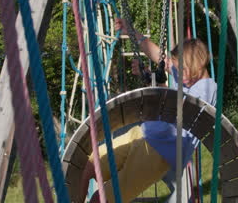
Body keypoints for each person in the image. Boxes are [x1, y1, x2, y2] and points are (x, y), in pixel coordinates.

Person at [78, 19, 217, 203]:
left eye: (181, 69)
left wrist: (155, 85)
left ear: (197, 64)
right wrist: (133, 33)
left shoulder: (206, 89)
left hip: (157, 153)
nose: (178, 74)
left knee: (100, 199)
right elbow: (160, 57)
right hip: (141, 134)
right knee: (87, 165)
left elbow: (177, 111)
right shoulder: (187, 76)